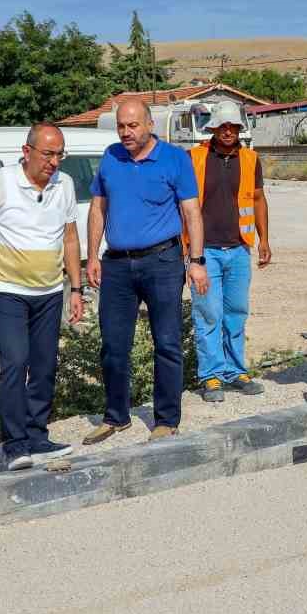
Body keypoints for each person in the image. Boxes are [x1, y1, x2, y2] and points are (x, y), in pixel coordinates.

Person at [84, 97, 209, 444]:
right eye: (121, 126)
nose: (125, 132)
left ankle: (166, 419)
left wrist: (196, 262)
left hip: (163, 262)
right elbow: (98, 208)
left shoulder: (175, 159)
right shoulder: (110, 156)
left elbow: (192, 213)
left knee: (167, 341)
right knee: (112, 344)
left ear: (150, 124)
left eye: (132, 125)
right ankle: (116, 416)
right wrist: (92, 256)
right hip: (117, 264)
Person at [0, 123, 84, 471]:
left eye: (60, 154)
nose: (54, 161)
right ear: (26, 151)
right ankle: (14, 445)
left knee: (46, 366)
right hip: (7, 290)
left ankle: (37, 436)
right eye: (48, 153)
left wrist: (75, 289)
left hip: (49, 291)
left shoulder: (65, 185)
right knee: (16, 363)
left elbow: (71, 238)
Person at [186, 101, 271, 402]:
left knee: (236, 312)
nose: (228, 131)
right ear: (213, 128)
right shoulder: (193, 158)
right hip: (204, 251)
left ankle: (236, 371)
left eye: (233, 126)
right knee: (208, 313)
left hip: (238, 249)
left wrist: (264, 240)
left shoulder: (251, 159)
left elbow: (259, 200)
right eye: (222, 126)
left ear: (238, 129)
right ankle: (211, 376)